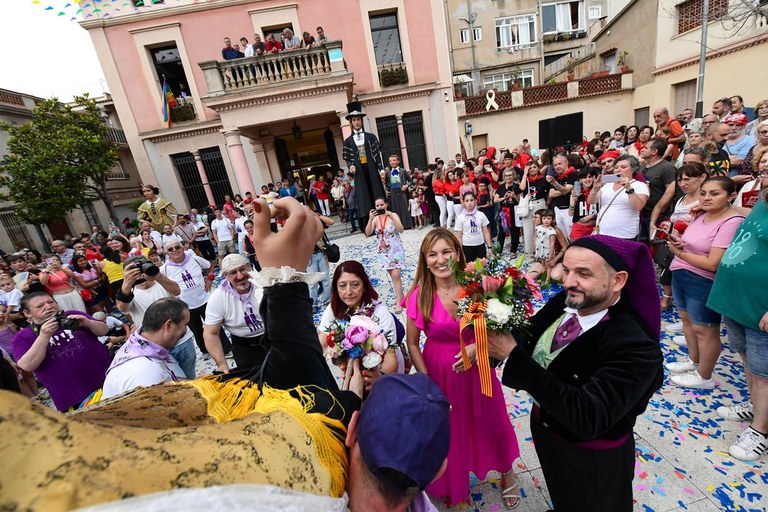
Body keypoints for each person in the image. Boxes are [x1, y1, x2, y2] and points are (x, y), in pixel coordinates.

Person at [486, 235, 663, 512]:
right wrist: (490, 347)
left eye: (583, 273)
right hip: (548, 431)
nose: (568, 281)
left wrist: (512, 355)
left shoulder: (636, 346)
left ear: (618, 281)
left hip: (591, 459)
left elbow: (587, 416)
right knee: (563, 492)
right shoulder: (567, 301)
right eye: (566, 270)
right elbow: (532, 332)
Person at [402, 228, 521, 508]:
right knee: (451, 429)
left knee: (494, 419)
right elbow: (412, 342)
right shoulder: (420, 295)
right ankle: (455, 481)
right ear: (425, 259)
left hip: (478, 369)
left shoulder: (477, 284)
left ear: (457, 253)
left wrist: (477, 348)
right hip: (440, 373)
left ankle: (507, 470)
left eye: (446, 252)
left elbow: (499, 329)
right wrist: (428, 381)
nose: (440, 260)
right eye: (433, 254)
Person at [665, 177, 744, 389]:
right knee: (688, 321)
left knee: (705, 329)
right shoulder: (701, 215)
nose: (707, 198)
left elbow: (712, 263)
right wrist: (680, 245)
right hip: (682, 272)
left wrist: (679, 252)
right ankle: (694, 360)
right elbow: (695, 244)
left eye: (714, 193)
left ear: (731, 196)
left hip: (702, 280)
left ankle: (705, 376)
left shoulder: (731, 221)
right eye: (703, 193)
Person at [707, 187, 768, 461]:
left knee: (763, 373)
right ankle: (757, 406)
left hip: (759, 305)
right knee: (748, 360)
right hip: (736, 299)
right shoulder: (763, 201)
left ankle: (760, 431)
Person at [13, 292, 111, 411]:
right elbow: (26, 365)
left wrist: (87, 322)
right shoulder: (23, 336)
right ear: (27, 313)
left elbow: (104, 331)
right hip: (73, 395)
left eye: (50, 302)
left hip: (108, 380)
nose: (48, 306)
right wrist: (44, 336)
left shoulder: (73, 316)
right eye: (40, 306)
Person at [317, 260, 404, 389]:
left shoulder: (380, 313)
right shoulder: (332, 309)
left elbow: (391, 359)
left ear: (364, 285)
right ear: (336, 287)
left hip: (385, 373)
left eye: (355, 284)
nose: (348, 292)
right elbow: (321, 340)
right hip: (353, 370)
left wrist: (380, 377)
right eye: (342, 286)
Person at [116, 255, 197, 380]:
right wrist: (127, 282)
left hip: (182, 340)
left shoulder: (161, 282)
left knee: (191, 377)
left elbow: (177, 291)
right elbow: (122, 308)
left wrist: (157, 275)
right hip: (157, 347)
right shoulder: (128, 293)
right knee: (176, 383)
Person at [102, 298, 189, 399]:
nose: (186, 330)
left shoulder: (138, 344)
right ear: (169, 325)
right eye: (185, 325)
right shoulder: (146, 372)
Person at [651, 163, 707, 313]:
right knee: (679, 285)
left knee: (694, 291)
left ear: (702, 177)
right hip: (677, 249)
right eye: (680, 180)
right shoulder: (681, 200)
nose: (683, 184)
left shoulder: (705, 202)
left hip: (696, 251)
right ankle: (686, 320)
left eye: (688, 179)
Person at [159, 240, 229, 359]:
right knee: (196, 329)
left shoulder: (194, 259)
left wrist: (210, 278)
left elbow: (210, 265)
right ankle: (205, 350)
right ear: (167, 253)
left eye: (177, 247)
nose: (174, 250)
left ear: (182, 248)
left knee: (215, 325)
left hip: (205, 299)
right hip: (186, 305)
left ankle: (227, 349)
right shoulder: (164, 269)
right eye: (170, 249)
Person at [204, 254, 266, 374]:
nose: (240, 276)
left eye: (242, 269)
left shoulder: (264, 284)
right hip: (244, 346)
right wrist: (222, 364)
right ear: (226, 276)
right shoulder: (218, 298)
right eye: (233, 272)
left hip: (272, 337)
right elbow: (210, 333)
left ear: (249, 267)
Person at [342, 101, 386, 228]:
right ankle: (367, 226)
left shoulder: (371, 137)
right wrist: (350, 165)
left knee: (376, 192)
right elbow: (348, 158)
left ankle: (382, 221)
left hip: (371, 168)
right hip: (359, 172)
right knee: (363, 197)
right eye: (354, 120)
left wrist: (381, 169)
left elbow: (377, 155)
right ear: (351, 122)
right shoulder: (348, 141)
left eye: (358, 119)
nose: (356, 122)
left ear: (361, 121)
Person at [589, 155, 650, 240]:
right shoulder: (607, 185)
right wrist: (595, 188)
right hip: (603, 232)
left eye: (623, 167)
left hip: (625, 234)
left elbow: (638, 206)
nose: (618, 170)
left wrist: (628, 188)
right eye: (616, 167)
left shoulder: (639, 185)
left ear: (633, 169)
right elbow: (591, 201)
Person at [365, 198, 406, 313]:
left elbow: (401, 229)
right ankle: (401, 296)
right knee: (393, 276)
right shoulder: (376, 219)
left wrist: (392, 217)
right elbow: (367, 233)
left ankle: (399, 302)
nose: (379, 207)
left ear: (386, 205)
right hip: (383, 252)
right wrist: (370, 219)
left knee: (396, 275)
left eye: (381, 205)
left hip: (395, 249)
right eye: (377, 205)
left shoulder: (393, 215)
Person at [546, 153, 578, 239]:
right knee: (562, 236)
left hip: (569, 210)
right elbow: (551, 194)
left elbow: (565, 191)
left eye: (559, 164)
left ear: (566, 162)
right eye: (555, 165)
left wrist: (556, 185)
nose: (557, 166)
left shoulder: (574, 174)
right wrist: (565, 189)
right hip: (558, 209)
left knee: (571, 236)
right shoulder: (556, 177)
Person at [455, 191, 492, 262]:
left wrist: (489, 247)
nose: (469, 203)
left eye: (471, 200)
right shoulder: (460, 217)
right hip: (467, 246)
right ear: (464, 202)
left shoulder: (481, 215)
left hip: (480, 245)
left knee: (482, 269)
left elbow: (486, 232)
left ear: (475, 201)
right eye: (467, 201)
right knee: (469, 269)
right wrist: (460, 251)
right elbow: (459, 236)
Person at [568, 168, 599, 240]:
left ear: (594, 178)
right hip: (579, 228)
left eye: (590, 177)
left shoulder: (599, 190)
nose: (587, 179)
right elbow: (570, 214)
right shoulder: (576, 191)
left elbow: (602, 209)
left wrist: (591, 216)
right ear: (580, 180)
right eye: (584, 177)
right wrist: (573, 201)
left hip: (594, 228)